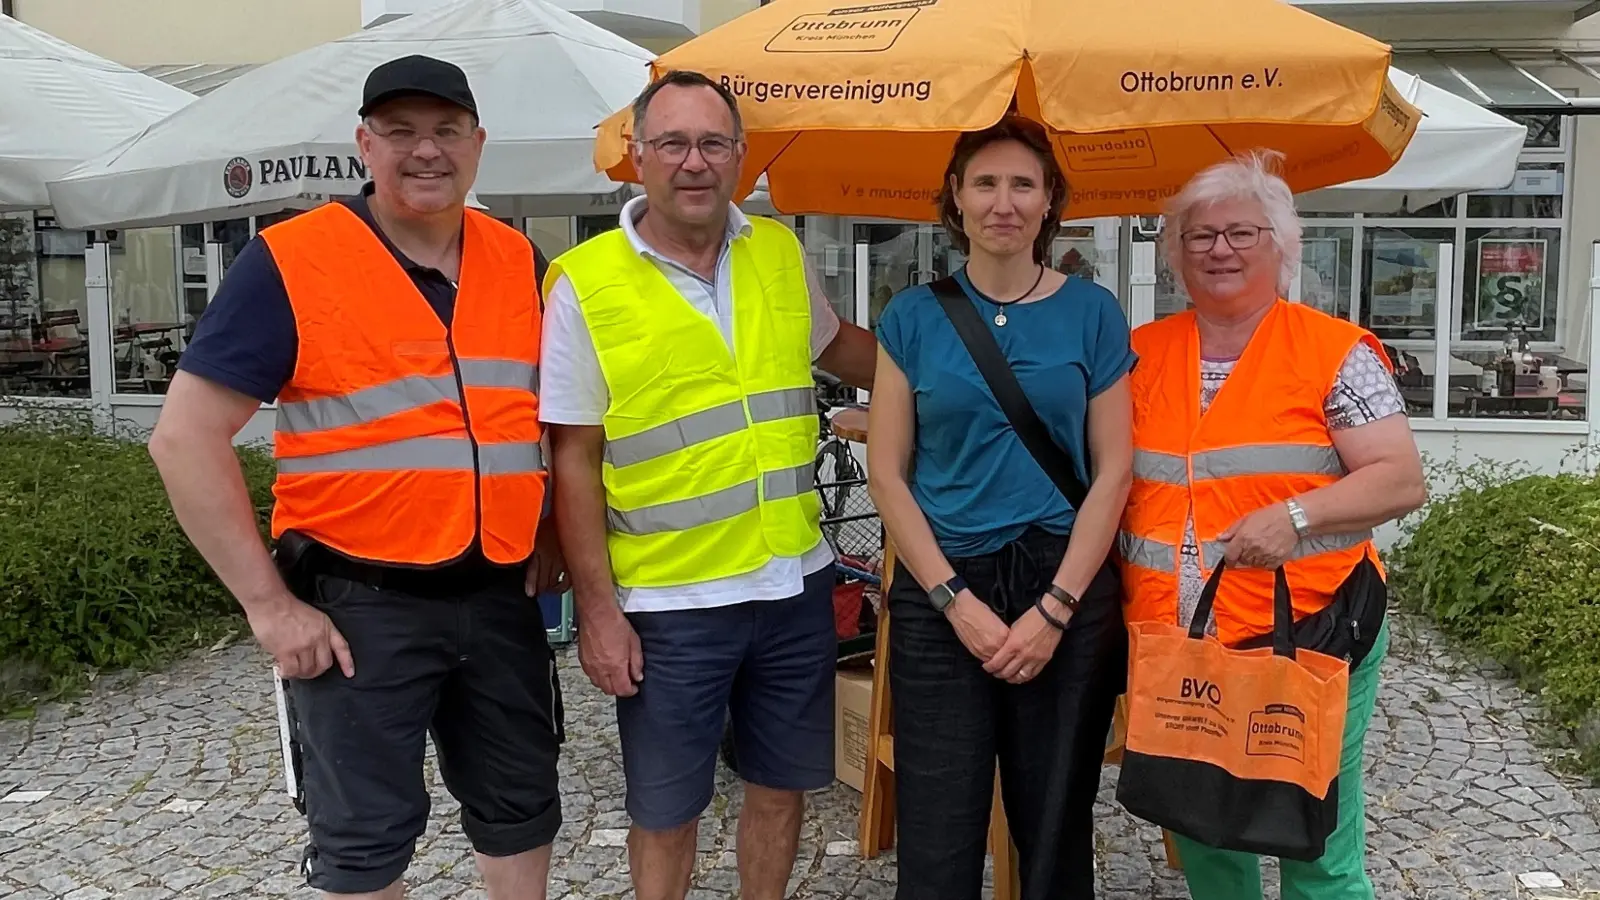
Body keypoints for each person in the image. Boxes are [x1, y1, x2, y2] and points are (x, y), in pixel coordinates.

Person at [147, 55, 566, 900]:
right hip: (357, 606)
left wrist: (551, 535)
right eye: (401, 131)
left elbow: (550, 425)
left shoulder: (520, 262)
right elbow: (184, 439)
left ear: (478, 145)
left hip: (501, 598)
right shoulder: (291, 261)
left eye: (447, 130)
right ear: (363, 145)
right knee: (362, 842)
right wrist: (269, 608)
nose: (427, 150)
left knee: (521, 809)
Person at [540, 70, 877, 900]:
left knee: (782, 785)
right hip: (668, 603)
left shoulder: (778, 252)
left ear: (741, 158)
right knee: (667, 812)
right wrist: (598, 613)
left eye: (714, 143)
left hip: (793, 580)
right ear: (638, 155)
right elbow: (572, 459)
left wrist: (959, 359)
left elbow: (840, 349)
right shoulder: (584, 282)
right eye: (674, 143)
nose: (695, 162)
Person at [1117, 150, 1427, 900]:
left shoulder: (1333, 353)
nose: (1220, 249)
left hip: (1310, 630)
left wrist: (1296, 514)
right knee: (1203, 832)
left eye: (1242, 233)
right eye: (1199, 236)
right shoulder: (1139, 354)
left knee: (1313, 838)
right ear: (1174, 255)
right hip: (1179, 640)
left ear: (1282, 248)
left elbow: (1399, 478)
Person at [865, 115, 1135, 899]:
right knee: (938, 824)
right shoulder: (912, 317)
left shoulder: (1093, 312)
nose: (1003, 202)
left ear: (1051, 201)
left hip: (1064, 578)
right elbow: (886, 471)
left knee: (1054, 822)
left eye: (1024, 184)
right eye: (985, 183)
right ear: (956, 197)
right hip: (942, 585)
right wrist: (954, 602)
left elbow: (1114, 470)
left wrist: (1055, 609)